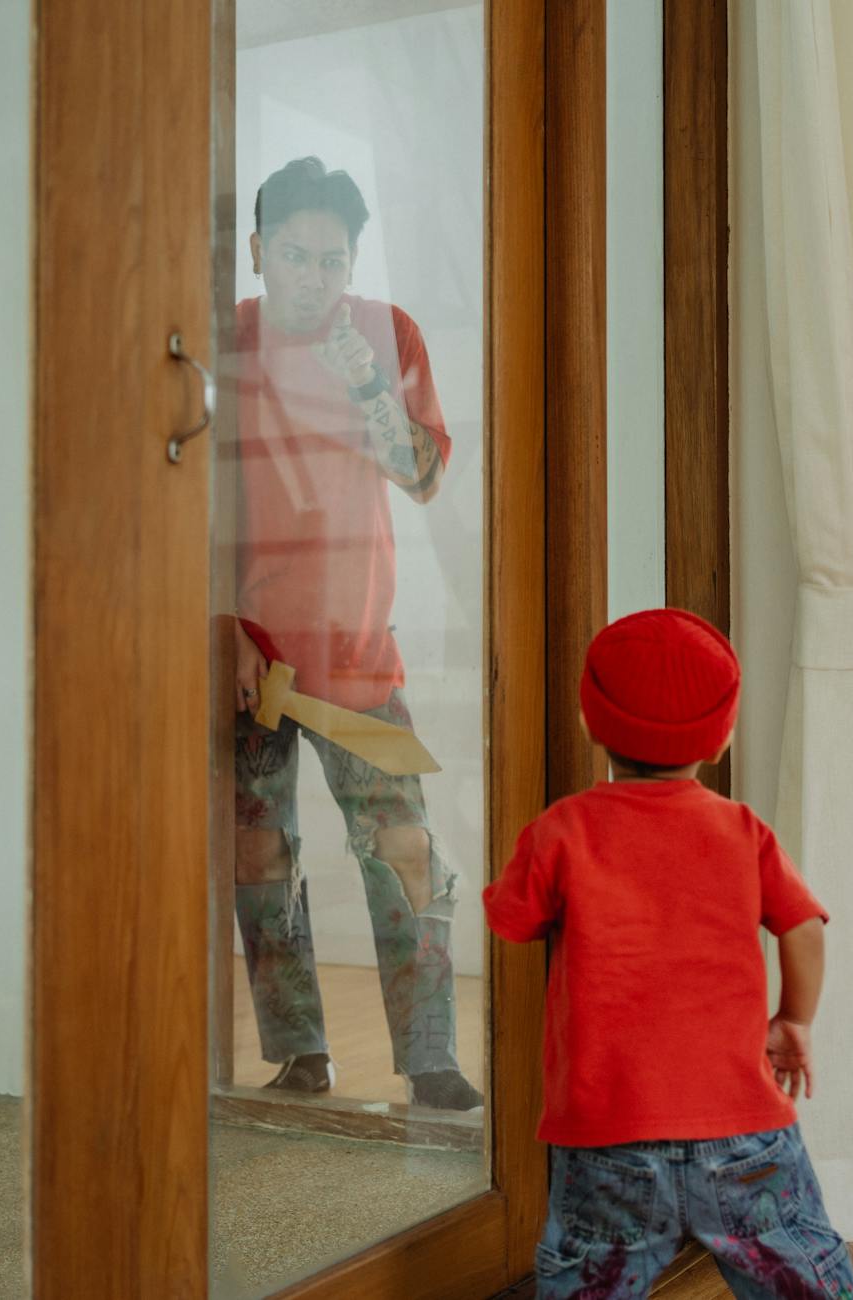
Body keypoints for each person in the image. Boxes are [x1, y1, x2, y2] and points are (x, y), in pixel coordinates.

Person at [483, 609, 853, 1298]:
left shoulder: (562, 830)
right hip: (744, 1127)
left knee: (588, 1281)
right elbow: (804, 925)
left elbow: (512, 921)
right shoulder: (743, 831)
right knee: (804, 1277)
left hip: (607, 1134)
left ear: (589, 721)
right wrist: (793, 1021)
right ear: (722, 735)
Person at [228, 156, 483, 1113]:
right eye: (295, 257)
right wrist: (222, 628)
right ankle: (300, 1053)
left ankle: (428, 1061)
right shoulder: (226, 341)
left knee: (403, 849)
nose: (315, 279)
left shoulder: (388, 333)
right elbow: (192, 502)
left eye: (334, 261)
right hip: (250, 653)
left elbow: (421, 477)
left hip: (356, 649)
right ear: (258, 252)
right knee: (258, 855)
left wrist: (370, 380)